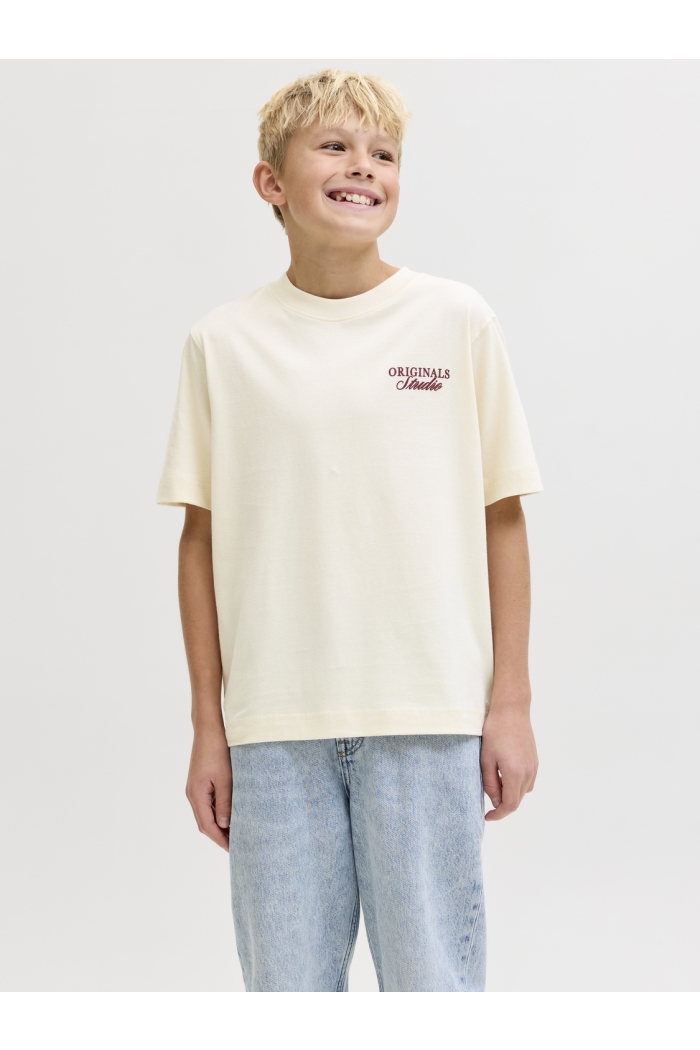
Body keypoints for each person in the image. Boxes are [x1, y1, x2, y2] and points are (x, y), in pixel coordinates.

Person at [157, 69, 542, 992]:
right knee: (287, 993)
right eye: (333, 146)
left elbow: (502, 514)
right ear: (271, 181)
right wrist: (208, 725)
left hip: (427, 717)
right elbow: (200, 543)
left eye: (384, 153)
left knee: (433, 989)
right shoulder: (222, 343)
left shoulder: (456, 321)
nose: (363, 167)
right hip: (274, 728)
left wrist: (511, 704)